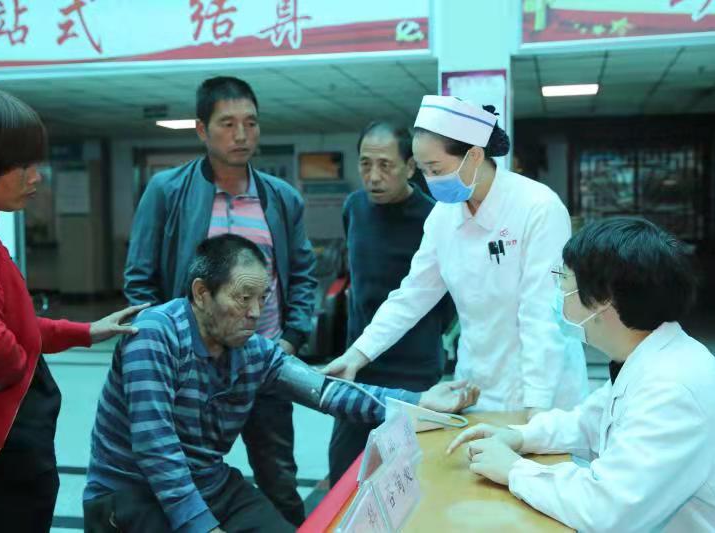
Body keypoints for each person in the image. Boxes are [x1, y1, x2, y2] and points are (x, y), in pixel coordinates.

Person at [83, 234, 479, 533]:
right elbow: (156, 450)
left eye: (262, 298)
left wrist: (419, 400)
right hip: (131, 491)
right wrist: (202, 526)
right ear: (202, 293)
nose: (255, 313)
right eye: (243, 298)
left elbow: (327, 391)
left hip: (208, 481)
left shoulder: (253, 350)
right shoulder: (155, 335)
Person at [447, 217, 715, 532]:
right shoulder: (648, 355)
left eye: (563, 281)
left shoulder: (671, 386)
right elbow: (588, 423)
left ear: (604, 300)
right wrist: (519, 437)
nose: (558, 294)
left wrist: (515, 470)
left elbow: (605, 510)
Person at [123, 76, 317, 525]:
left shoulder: (281, 198)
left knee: (280, 479)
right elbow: (139, 278)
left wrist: (291, 338)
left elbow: (303, 273)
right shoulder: (167, 191)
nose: (242, 134)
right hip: (193, 369)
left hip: (264, 360)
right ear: (201, 129)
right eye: (228, 124)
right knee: (185, 478)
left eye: (251, 122)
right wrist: (166, 351)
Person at [325, 95, 587, 416]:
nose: (430, 180)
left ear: (474, 155)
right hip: (477, 384)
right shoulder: (443, 217)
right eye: (423, 171)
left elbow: (542, 314)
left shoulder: (537, 208)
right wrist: (357, 355)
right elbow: (412, 295)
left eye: (436, 169)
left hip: (544, 388)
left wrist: (537, 407)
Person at [0, 87, 145, 532]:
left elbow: (16, 327)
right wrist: (10, 371)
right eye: (21, 165)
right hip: (1, 462)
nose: (36, 177)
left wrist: (86, 331)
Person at [327, 121, 454, 485]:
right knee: (345, 473)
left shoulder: (434, 217)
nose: (373, 176)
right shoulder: (354, 207)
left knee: (406, 478)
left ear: (410, 167)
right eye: (365, 164)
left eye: (385, 165)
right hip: (358, 368)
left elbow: (447, 301)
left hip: (413, 370)